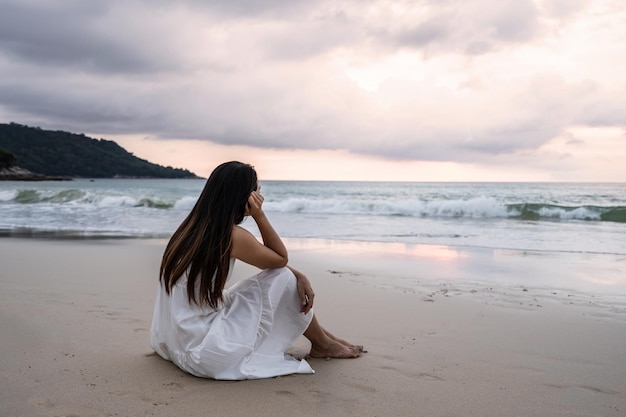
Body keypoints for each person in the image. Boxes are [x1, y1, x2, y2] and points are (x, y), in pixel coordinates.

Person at [150, 161, 362, 380]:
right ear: (246, 196)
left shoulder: (191, 227)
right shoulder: (231, 235)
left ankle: (326, 339)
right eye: (258, 190)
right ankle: (323, 344)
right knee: (284, 277)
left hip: (175, 341)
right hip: (205, 350)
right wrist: (260, 216)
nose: (261, 195)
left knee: (284, 277)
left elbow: (271, 261)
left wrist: (298, 273)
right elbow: (280, 259)